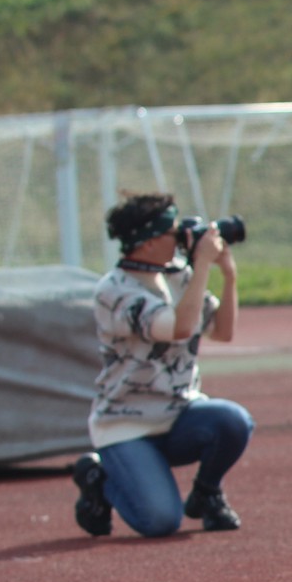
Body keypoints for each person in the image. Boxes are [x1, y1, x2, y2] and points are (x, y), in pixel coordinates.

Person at [70, 193, 253, 538]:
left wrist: (227, 274)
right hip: (126, 424)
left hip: (178, 414)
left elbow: (223, 332)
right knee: (160, 521)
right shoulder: (114, 291)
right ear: (149, 241)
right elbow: (180, 329)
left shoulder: (178, 275)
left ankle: (207, 493)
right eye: (173, 230)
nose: (183, 234)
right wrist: (201, 266)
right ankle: (101, 478)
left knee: (233, 422)